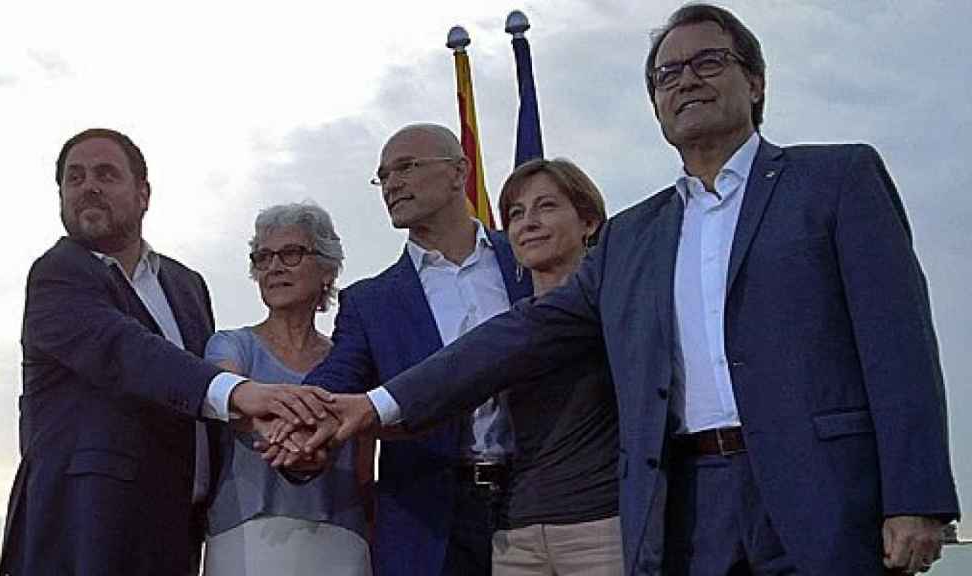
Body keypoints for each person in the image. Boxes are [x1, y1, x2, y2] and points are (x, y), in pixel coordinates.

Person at [311, 5, 961, 575]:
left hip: (822, 496)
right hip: (688, 508)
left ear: (755, 81)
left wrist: (917, 496)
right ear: (654, 105)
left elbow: (898, 345)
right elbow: (514, 337)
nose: (687, 81)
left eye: (708, 61)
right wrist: (378, 407)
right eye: (667, 75)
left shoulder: (836, 180)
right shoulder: (634, 237)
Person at [0, 128, 332, 575]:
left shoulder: (186, 285)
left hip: (177, 529)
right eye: (73, 178)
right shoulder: (57, 275)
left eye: (105, 174)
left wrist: (283, 441)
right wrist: (242, 394)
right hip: (85, 529)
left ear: (143, 194)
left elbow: (195, 396)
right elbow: (128, 353)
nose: (88, 186)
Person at [298, 123, 533, 576]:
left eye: (406, 167)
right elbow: (338, 377)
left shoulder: (525, 261)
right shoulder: (371, 301)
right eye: (383, 176)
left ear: (458, 171)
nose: (392, 184)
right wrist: (296, 415)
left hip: (542, 502)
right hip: (430, 522)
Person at [202, 202, 372, 575]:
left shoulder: (352, 360)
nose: (274, 267)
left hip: (343, 541)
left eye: (290, 254)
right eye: (263, 258)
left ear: (327, 268)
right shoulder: (230, 345)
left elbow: (364, 465)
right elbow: (228, 400)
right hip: (247, 540)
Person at [491, 158, 622, 575]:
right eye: (516, 213)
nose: (528, 222)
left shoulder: (619, 311)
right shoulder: (504, 328)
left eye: (546, 206)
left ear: (588, 222)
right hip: (515, 538)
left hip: (603, 531)